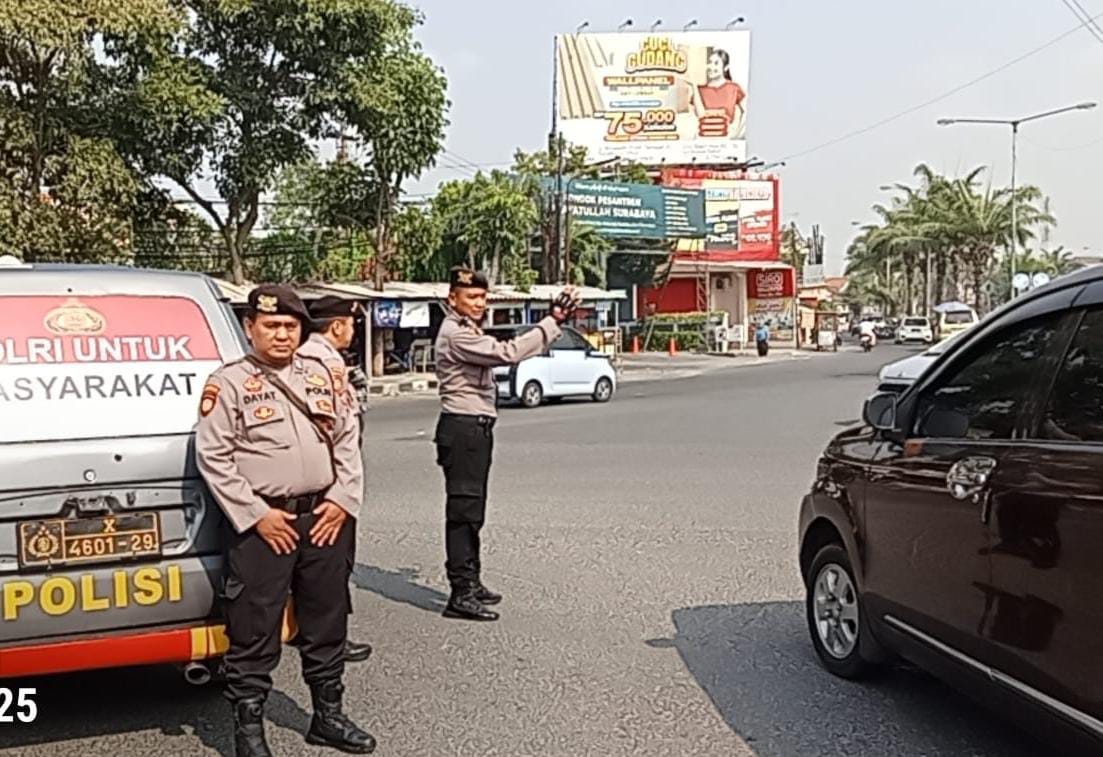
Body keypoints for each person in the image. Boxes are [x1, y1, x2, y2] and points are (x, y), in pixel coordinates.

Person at [196, 285, 375, 756]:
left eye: (290, 326)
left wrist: (343, 500)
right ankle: (249, 733)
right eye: (271, 325)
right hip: (264, 526)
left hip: (324, 517)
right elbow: (214, 457)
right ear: (249, 328)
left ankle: (328, 717)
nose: (281, 334)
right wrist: (256, 515)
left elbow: (347, 439)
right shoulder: (228, 383)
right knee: (254, 625)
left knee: (326, 618)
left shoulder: (322, 376)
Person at [433, 267, 580, 621]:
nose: (479, 304)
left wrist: (553, 322)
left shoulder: (467, 328)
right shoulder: (456, 334)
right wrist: (553, 320)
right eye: (471, 297)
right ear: (452, 298)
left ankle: (471, 581)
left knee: (473, 510)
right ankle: (461, 593)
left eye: (483, 298)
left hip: (473, 428)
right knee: (464, 512)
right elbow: (508, 353)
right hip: (464, 428)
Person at [298, 295, 373, 665]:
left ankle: (309, 629)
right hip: (331, 481)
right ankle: (330, 639)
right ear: (337, 325)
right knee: (333, 564)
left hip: (313, 479)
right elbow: (339, 430)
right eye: (351, 324)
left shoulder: (305, 358)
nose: (353, 331)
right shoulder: (326, 363)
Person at [690, 47, 746, 128]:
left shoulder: (734, 88)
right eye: (710, 62)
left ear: (725, 67)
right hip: (704, 133)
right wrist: (694, 86)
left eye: (716, 63)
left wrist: (737, 131)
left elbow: (747, 112)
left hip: (726, 133)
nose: (711, 66)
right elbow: (699, 116)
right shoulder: (700, 90)